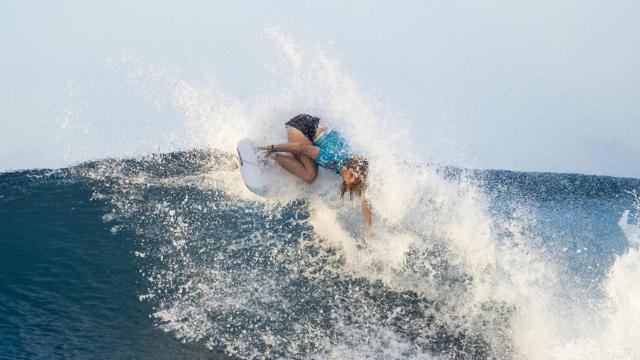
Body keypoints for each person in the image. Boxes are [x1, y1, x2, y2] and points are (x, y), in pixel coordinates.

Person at [260, 114, 372, 230]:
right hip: (301, 127)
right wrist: (271, 147)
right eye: (353, 176)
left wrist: (369, 230)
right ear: (348, 168)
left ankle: (273, 154)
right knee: (310, 176)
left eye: (357, 179)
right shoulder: (332, 159)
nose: (354, 181)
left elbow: (365, 200)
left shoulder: (355, 166)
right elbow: (302, 148)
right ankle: (270, 155)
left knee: (311, 171)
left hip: (315, 130)